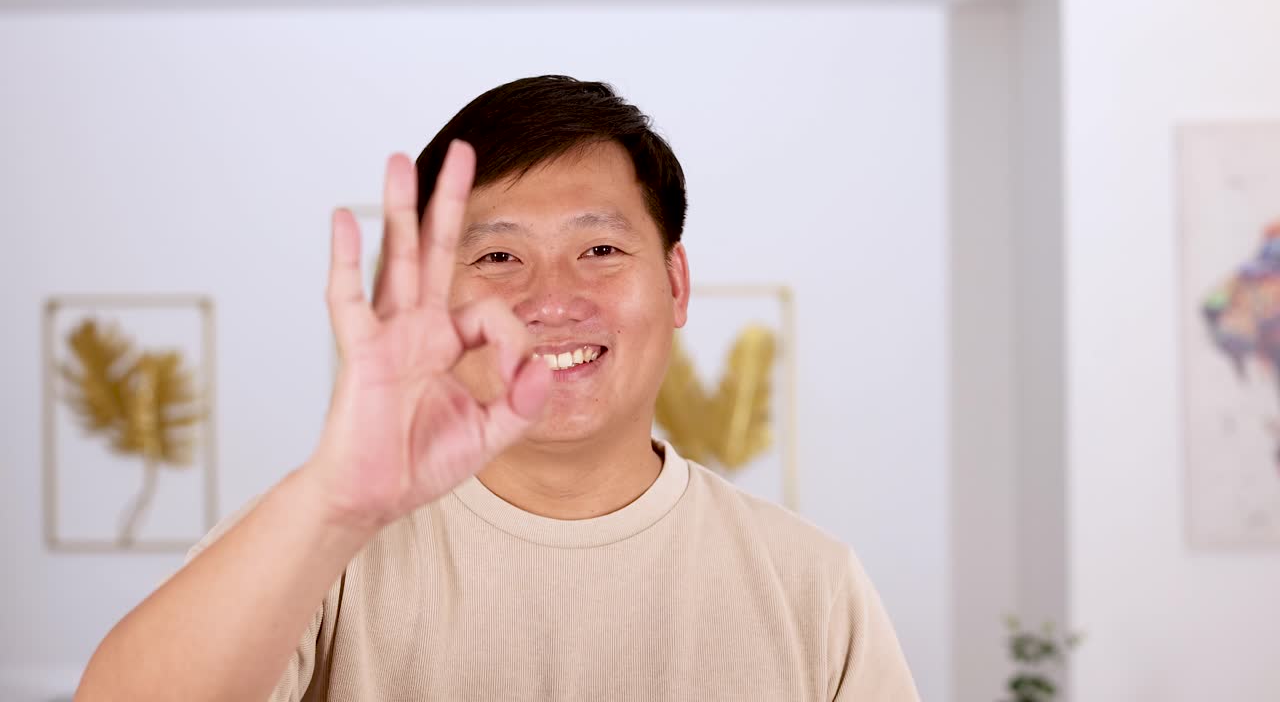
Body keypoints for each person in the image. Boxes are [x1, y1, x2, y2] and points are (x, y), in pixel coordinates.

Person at [74, 75, 919, 701]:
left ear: (677, 284)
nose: (552, 301)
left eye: (600, 251)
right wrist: (335, 502)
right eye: (497, 257)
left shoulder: (812, 583)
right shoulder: (318, 548)